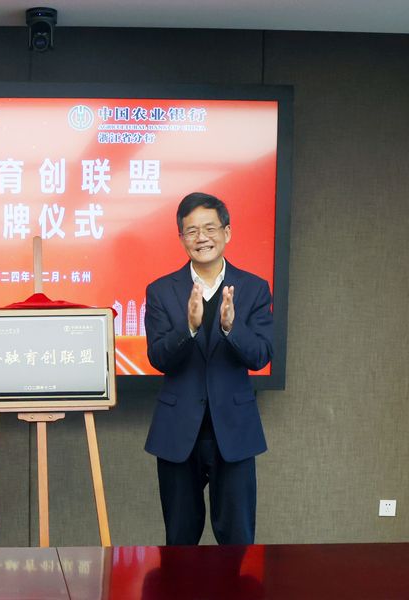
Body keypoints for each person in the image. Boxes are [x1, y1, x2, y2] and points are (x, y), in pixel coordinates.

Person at [144, 192, 273, 545]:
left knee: (237, 542)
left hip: (234, 431)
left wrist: (232, 328)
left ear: (226, 232)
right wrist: (188, 327)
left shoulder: (254, 288)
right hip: (177, 432)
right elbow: (158, 357)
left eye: (210, 228)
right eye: (192, 231)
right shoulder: (161, 291)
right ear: (181, 238)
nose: (201, 238)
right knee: (179, 541)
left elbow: (261, 355)